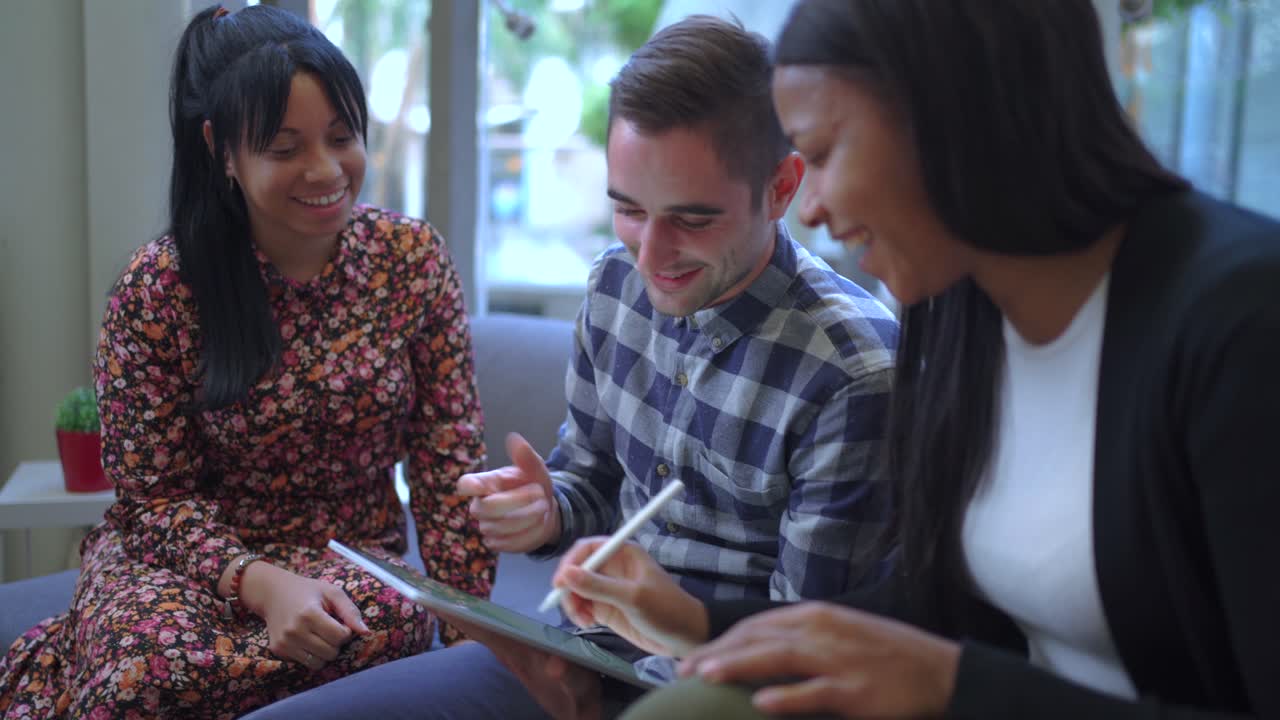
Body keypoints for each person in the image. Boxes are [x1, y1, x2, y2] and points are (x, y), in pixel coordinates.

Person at [533, 1, 1280, 719]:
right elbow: (939, 609)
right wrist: (700, 622)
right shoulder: (954, 307)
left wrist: (956, 686)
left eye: (822, 154)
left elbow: (946, 659)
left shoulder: (1239, 321)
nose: (811, 205)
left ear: (953, 123)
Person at [241, 13, 899, 720]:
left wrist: (664, 630)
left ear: (780, 188)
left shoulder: (854, 373)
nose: (650, 256)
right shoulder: (614, 288)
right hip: (581, 653)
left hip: (723, 691)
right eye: (628, 210)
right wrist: (546, 506)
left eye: (691, 219)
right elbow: (593, 479)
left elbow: (809, 646)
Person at [0, 5, 494, 718]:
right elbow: (154, 498)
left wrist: (468, 629)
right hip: (179, 561)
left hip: (349, 561)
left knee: (393, 629)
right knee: (142, 678)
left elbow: (449, 464)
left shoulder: (411, 261)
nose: (325, 170)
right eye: (285, 147)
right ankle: (83, 666)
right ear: (221, 148)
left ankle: (75, 670)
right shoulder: (160, 288)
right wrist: (256, 581)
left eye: (341, 136)